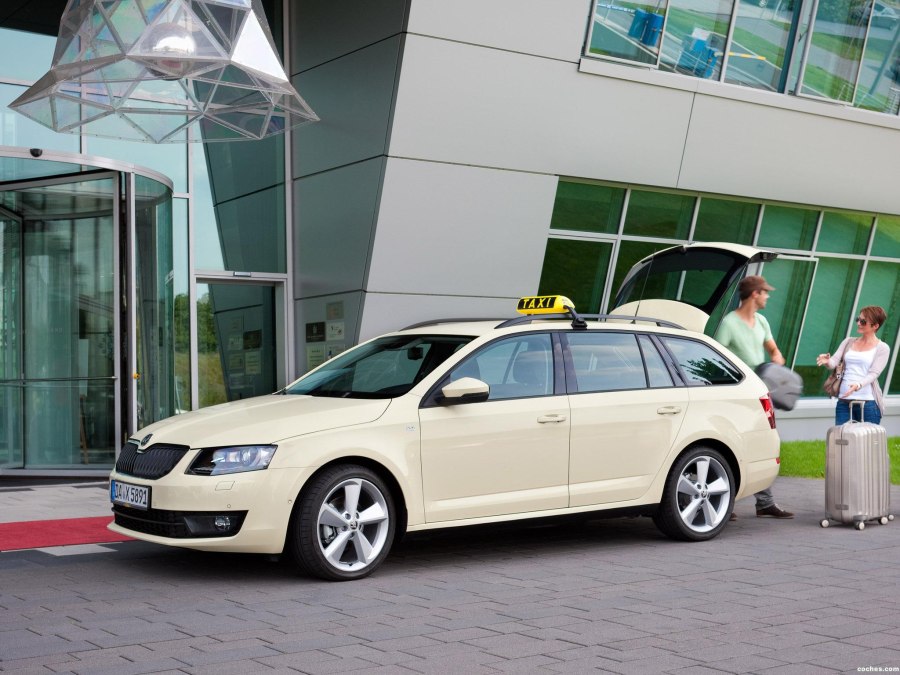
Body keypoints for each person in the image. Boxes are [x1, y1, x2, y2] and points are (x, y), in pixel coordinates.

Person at [715, 275, 794, 520]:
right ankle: (723, 504)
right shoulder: (729, 324)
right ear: (754, 294)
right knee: (731, 444)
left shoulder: (761, 321)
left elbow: (773, 350)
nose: (767, 296)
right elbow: (717, 359)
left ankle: (765, 503)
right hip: (736, 395)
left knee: (761, 444)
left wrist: (776, 362)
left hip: (759, 392)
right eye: (765, 292)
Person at [816, 305, 890, 426]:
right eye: (858, 319)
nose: (858, 323)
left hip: (868, 403)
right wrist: (827, 361)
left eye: (863, 321)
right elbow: (834, 362)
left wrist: (858, 385)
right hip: (844, 402)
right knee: (842, 437)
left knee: (867, 438)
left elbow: (874, 373)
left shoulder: (882, 348)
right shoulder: (848, 341)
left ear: (875, 326)